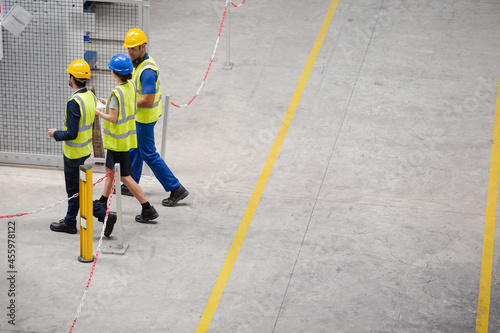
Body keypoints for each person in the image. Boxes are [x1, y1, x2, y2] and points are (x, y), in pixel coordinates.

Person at [121, 28, 189, 207]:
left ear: (142, 47)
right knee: (135, 149)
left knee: (149, 154)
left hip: (145, 118)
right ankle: (132, 184)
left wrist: (127, 102)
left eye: (133, 48)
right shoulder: (139, 64)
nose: (129, 52)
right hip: (140, 117)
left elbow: (148, 101)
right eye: (128, 48)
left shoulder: (147, 71)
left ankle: (176, 188)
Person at [48, 59, 116, 236]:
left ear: (71, 78)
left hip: (73, 153)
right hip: (85, 150)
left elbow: (71, 133)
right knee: (77, 189)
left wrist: (55, 133)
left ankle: (104, 216)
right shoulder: (90, 96)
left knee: (75, 191)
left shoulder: (74, 102)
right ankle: (70, 220)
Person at [95, 54, 159, 223]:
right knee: (110, 171)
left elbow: (113, 118)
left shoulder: (116, 93)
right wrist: (107, 103)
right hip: (125, 139)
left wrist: (99, 112)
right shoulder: (129, 86)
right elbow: (125, 105)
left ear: (113, 72)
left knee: (124, 177)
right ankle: (102, 201)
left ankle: (148, 208)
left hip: (117, 142)